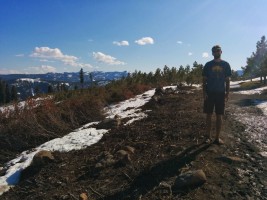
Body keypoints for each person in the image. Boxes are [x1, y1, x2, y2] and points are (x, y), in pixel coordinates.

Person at [202, 45, 231, 144]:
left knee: (219, 115)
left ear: (221, 52)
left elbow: (227, 80)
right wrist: (204, 92)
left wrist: (227, 93)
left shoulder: (226, 65)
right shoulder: (208, 65)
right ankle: (207, 136)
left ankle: (217, 138)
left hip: (220, 93)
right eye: (214, 51)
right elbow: (204, 80)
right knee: (208, 115)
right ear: (212, 53)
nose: (216, 52)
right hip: (209, 93)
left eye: (217, 51)